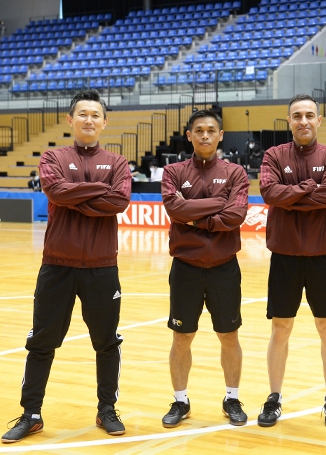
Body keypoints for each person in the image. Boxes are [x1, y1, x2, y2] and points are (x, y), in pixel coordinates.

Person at [1, 90, 132, 444]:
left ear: (105, 122)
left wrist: (76, 193)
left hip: (103, 267)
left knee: (106, 342)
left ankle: (107, 409)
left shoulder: (118, 162)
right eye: (82, 114)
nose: (89, 120)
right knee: (41, 342)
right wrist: (95, 194)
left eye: (95, 115)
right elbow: (56, 192)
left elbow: (119, 200)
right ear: (70, 119)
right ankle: (31, 414)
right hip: (57, 265)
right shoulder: (52, 156)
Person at [258, 94, 326, 429]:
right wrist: (310, 187)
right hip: (285, 255)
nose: (304, 121)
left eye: (310, 115)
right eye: (297, 116)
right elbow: (269, 194)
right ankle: (274, 397)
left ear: (319, 120)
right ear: (290, 121)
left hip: (322, 254)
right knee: (281, 328)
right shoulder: (273, 155)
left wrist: (291, 192)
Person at [160, 109, 250, 428]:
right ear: (189, 135)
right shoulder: (172, 171)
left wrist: (192, 216)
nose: (205, 136)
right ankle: (180, 401)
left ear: (221, 135)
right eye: (198, 130)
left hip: (225, 267)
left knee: (229, 336)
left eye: (211, 130)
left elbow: (236, 215)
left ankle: (232, 397)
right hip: (185, 267)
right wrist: (218, 204)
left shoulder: (236, 173)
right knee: (182, 337)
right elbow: (174, 208)